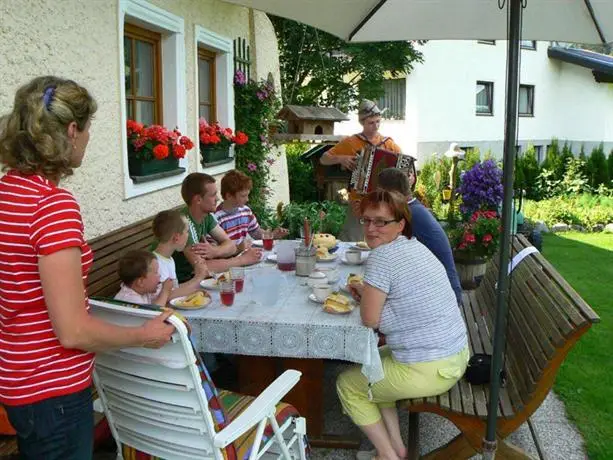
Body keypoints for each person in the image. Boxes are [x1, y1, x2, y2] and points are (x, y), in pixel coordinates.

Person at [0, 76, 175, 460]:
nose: (90, 138)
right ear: (72, 130)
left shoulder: (8, 191)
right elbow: (73, 331)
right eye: (90, 127)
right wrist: (144, 334)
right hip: (54, 391)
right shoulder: (52, 206)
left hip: (19, 381)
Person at [337, 190, 468, 460]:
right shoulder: (415, 246)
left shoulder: (382, 258)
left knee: (348, 385)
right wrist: (368, 295)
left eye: (381, 222)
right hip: (453, 356)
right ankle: (397, 446)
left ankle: (387, 456)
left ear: (400, 225)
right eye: (366, 220)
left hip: (428, 367)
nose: (371, 228)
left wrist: (365, 299)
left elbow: (370, 320)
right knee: (371, 362)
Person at [377, 168, 463, 304]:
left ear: (392, 194)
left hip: (444, 296)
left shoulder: (409, 214)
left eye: (380, 194)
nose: (379, 200)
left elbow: (388, 256)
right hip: (443, 288)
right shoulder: (413, 209)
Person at [320, 99, 402, 241]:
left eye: (378, 121)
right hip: (359, 202)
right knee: (353, 242)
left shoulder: (389, 144)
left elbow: (402, 166)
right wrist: (341, 159)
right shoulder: (352, 142)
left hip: (383, 202)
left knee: (382, 240)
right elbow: (324, 158)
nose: (375, 126)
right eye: (371, 123)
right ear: (362, 122)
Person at [174, 172, 262, 283]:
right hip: (179, 284)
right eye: (213, 195)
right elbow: (203, 268)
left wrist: (214, 251)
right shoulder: (184, 223)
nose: (218, 199)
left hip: (195, 279)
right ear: (198, 200)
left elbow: (231, 246)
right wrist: (242, 259)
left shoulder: (207, 216)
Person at [214, 169, 288, 252]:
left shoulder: (245, 211)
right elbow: (215, 250)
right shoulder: (216, 217)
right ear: (229, 196)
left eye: (247, 195)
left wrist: (273, 235)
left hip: (244, 258)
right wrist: (238, 248)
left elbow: (256, 232)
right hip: (229, 262)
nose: (247, 199)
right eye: (243, 196)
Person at [152, 209, 210, 297]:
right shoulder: (156, 264)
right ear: (176, 238)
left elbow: (174, 289)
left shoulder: (168, 259)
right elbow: (166, 296)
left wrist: (194, 291)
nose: (188, 235)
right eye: (187, 231)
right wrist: (198, 277)